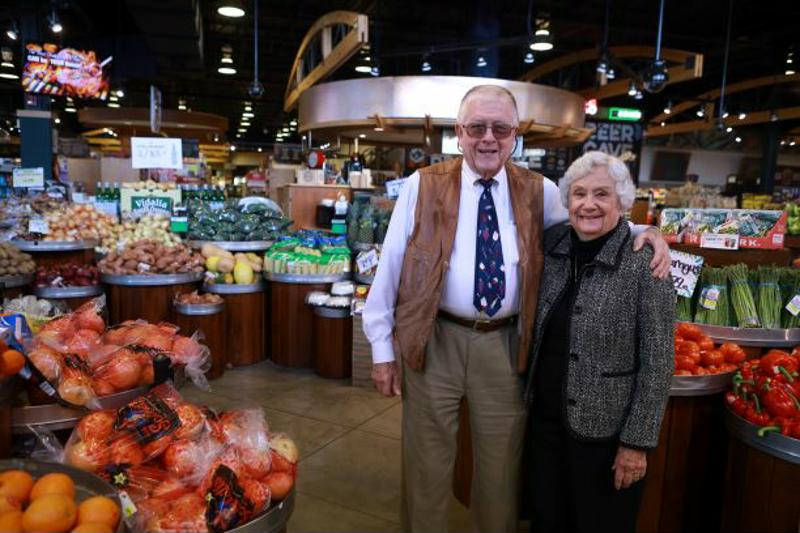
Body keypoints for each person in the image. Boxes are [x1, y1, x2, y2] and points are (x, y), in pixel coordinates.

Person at [362, 85, 670, 532]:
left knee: (500, 473)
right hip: (433, 338)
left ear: (515, 136)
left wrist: (646, 230)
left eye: (500, 128)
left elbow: (592, 216)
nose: (488, 138)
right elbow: (389, 266)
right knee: (425, 468)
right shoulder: (422, 185)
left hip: (505, 345)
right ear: (459, 133)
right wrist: (381, 350)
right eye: (476, 128)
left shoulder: (538, 191)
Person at [523, 151, 674, 532]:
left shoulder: (644, 263)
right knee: (546, 520)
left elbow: (658, 362)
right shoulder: (552, 246)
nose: (588, 204)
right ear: (567, 201)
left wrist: (636, 443)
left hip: (606, 437)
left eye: (602, 194)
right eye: (578, 194)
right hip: (544, 426)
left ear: (623, 202)